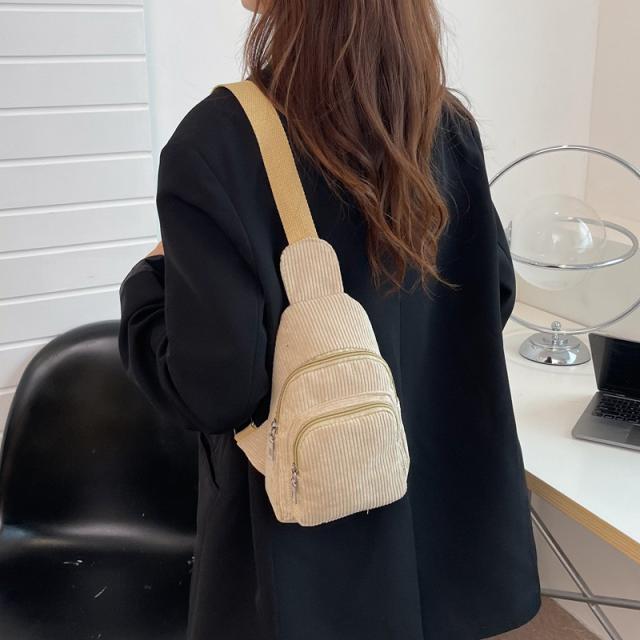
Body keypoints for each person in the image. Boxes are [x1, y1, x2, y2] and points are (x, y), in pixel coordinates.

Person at [118, 1, 541, 638]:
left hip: (301, 561)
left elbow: (215, 390)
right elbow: (494, 295)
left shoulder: (220, 142)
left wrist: (147, 285)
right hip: (441, 538)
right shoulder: (445, 125)